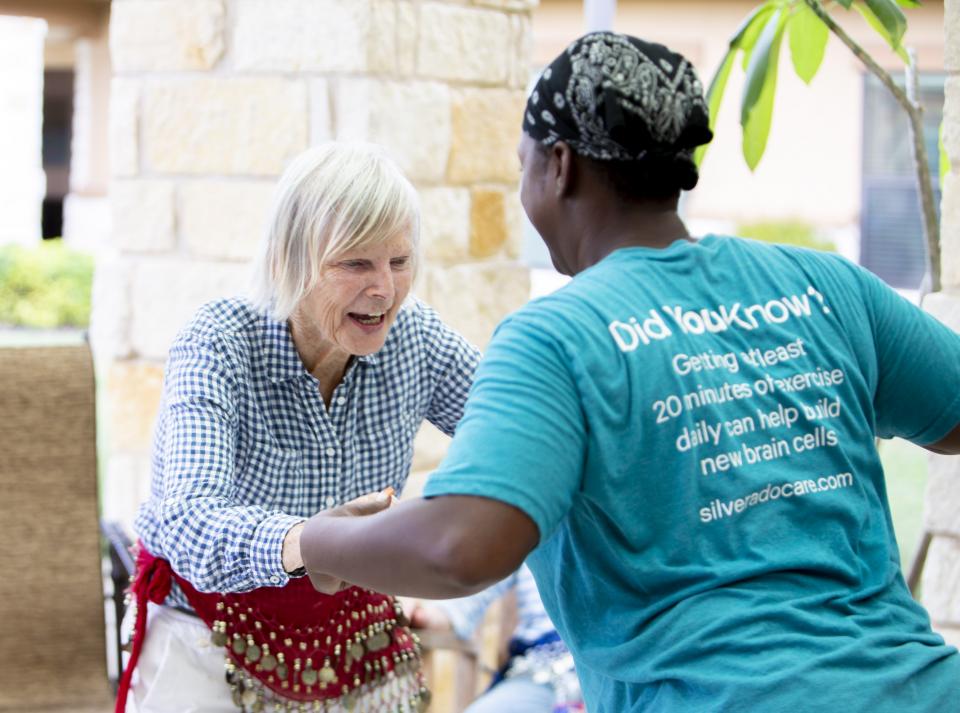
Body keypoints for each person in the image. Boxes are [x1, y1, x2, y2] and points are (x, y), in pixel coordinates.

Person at [293, 31, 960, 713]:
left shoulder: (557, 336)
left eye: (522, 164)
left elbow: (459, 546)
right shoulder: (827, 286)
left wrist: (317, 541)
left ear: (559, 166)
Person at [117, 141, 480, 713]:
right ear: (290, 259)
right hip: (207, 640)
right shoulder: (219, 343)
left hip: (347, 641)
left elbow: (514, 429)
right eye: (355, 263)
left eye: (399, 261)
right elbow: (187, 519)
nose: (385, 288)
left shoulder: (416, 337)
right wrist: (311, 542)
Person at [410, 564, 583, 713]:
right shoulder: (523, 535)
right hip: (545, 670)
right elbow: (468, 597)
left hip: (605, 666)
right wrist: (428, 615)